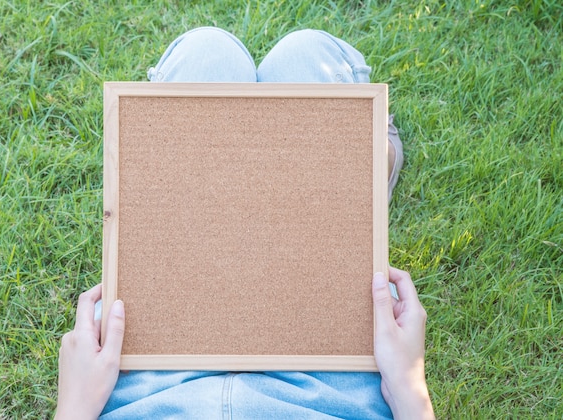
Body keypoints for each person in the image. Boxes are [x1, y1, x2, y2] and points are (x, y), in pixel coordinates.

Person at [55, 28, 434, 419]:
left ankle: (359, 173)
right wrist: (408, 384)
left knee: (208, 53)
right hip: (328, 374)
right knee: (305, 55)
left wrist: (74, 406)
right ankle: (360, 178)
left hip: (150, 375)